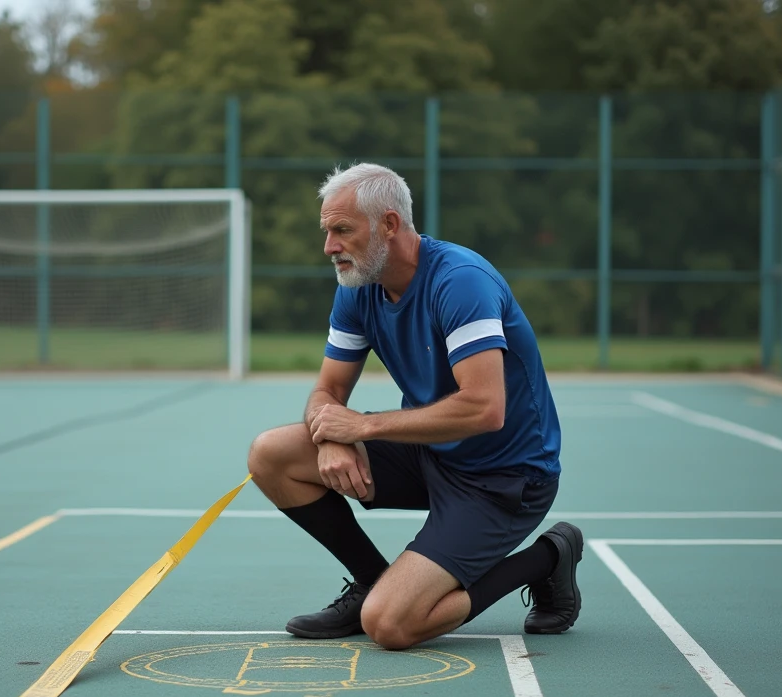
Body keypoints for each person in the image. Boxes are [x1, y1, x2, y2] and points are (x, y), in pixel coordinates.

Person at [246, 163, 582, 651]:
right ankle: (371, 582)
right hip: (432, 455)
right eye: (326, 232)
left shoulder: (460, 282)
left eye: (342, 230)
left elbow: (486, 409)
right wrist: (333, 436)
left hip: (505, 479)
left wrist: (363, 427)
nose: (329, 247)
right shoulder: (359, 287)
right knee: (271, 454)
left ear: (388, 224)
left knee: (391, 626)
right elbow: (327, 392)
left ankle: (549, 557)